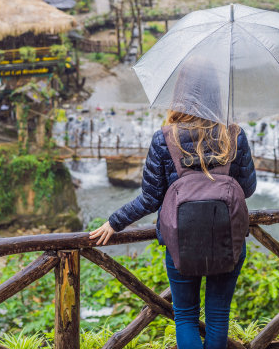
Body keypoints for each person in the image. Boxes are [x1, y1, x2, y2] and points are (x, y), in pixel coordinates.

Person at [90, 61, 257, 347]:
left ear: (180, 94)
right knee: (218, 316)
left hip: (181, 240)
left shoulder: (164, 138)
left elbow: (151, 198)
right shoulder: (234, 135)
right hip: (228, 239)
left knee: (185, 316)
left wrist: (113, 222)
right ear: (216, 95)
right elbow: (248, 188)